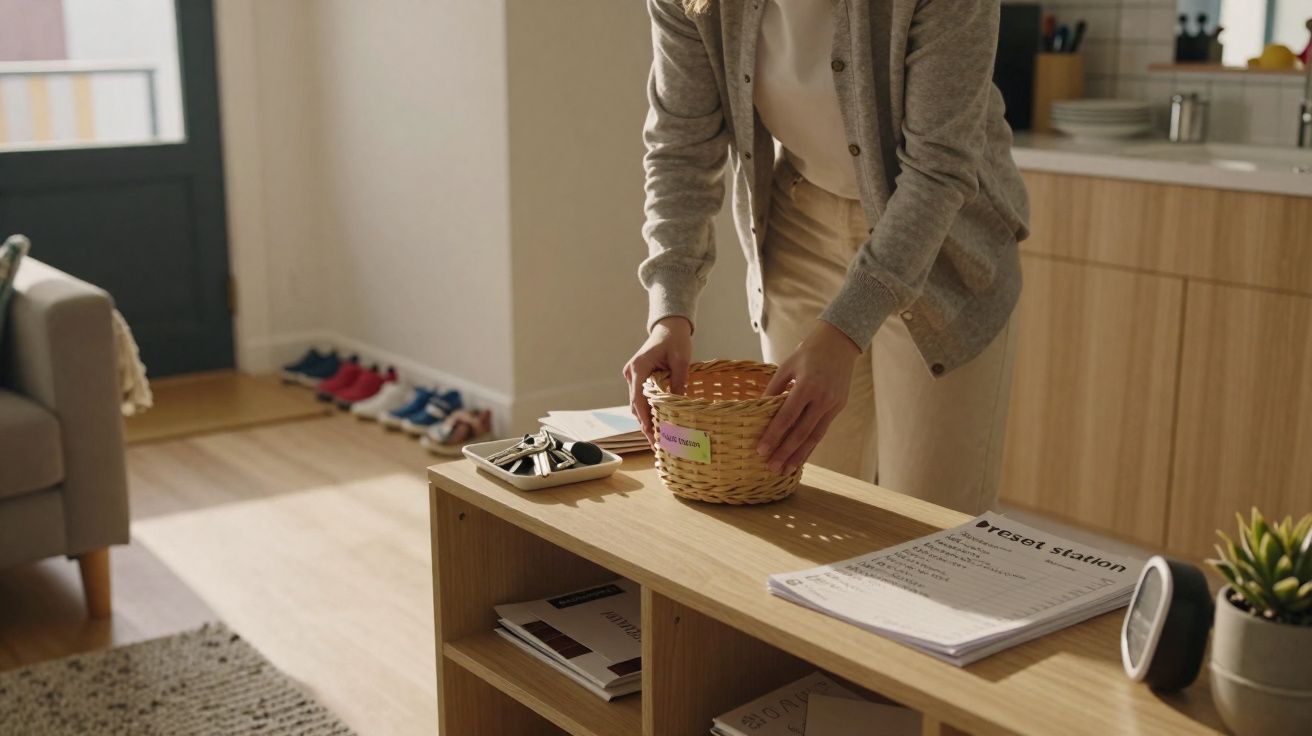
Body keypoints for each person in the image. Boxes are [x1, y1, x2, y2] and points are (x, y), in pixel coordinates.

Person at [623, 0, 1029, 515]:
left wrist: (844, 330)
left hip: (941, 245)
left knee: (929, 526)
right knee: (801, 499)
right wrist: (670, 310)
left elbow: (940, 169)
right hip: (801, 226)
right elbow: (679, 147)